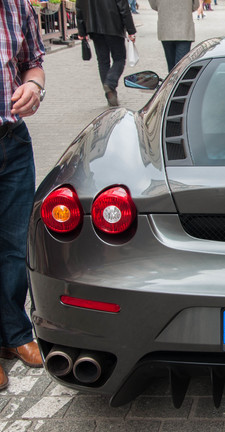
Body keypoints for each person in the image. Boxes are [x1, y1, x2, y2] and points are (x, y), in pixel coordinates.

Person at [0, 0, 47, 391]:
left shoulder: (18, 5)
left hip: (13, 140)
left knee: (16, 245)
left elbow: (34, 61)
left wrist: (34, 85)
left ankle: (14, 332)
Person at [76, 0, 137, 107]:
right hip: (114, 25)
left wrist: (82, 31)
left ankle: (110, 93)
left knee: (103, 61)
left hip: (94, 27)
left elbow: (79, 7)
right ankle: (110, 83)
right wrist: (130, 30)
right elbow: (123, 7)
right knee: (120, 59)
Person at [149, 0, 200, 72]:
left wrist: (164, 8)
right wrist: (185, 9)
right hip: (184, 28)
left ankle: (171, 82)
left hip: (166, 28)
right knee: (181, 67)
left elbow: (153, 4)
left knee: (171, 66)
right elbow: (195, 5)